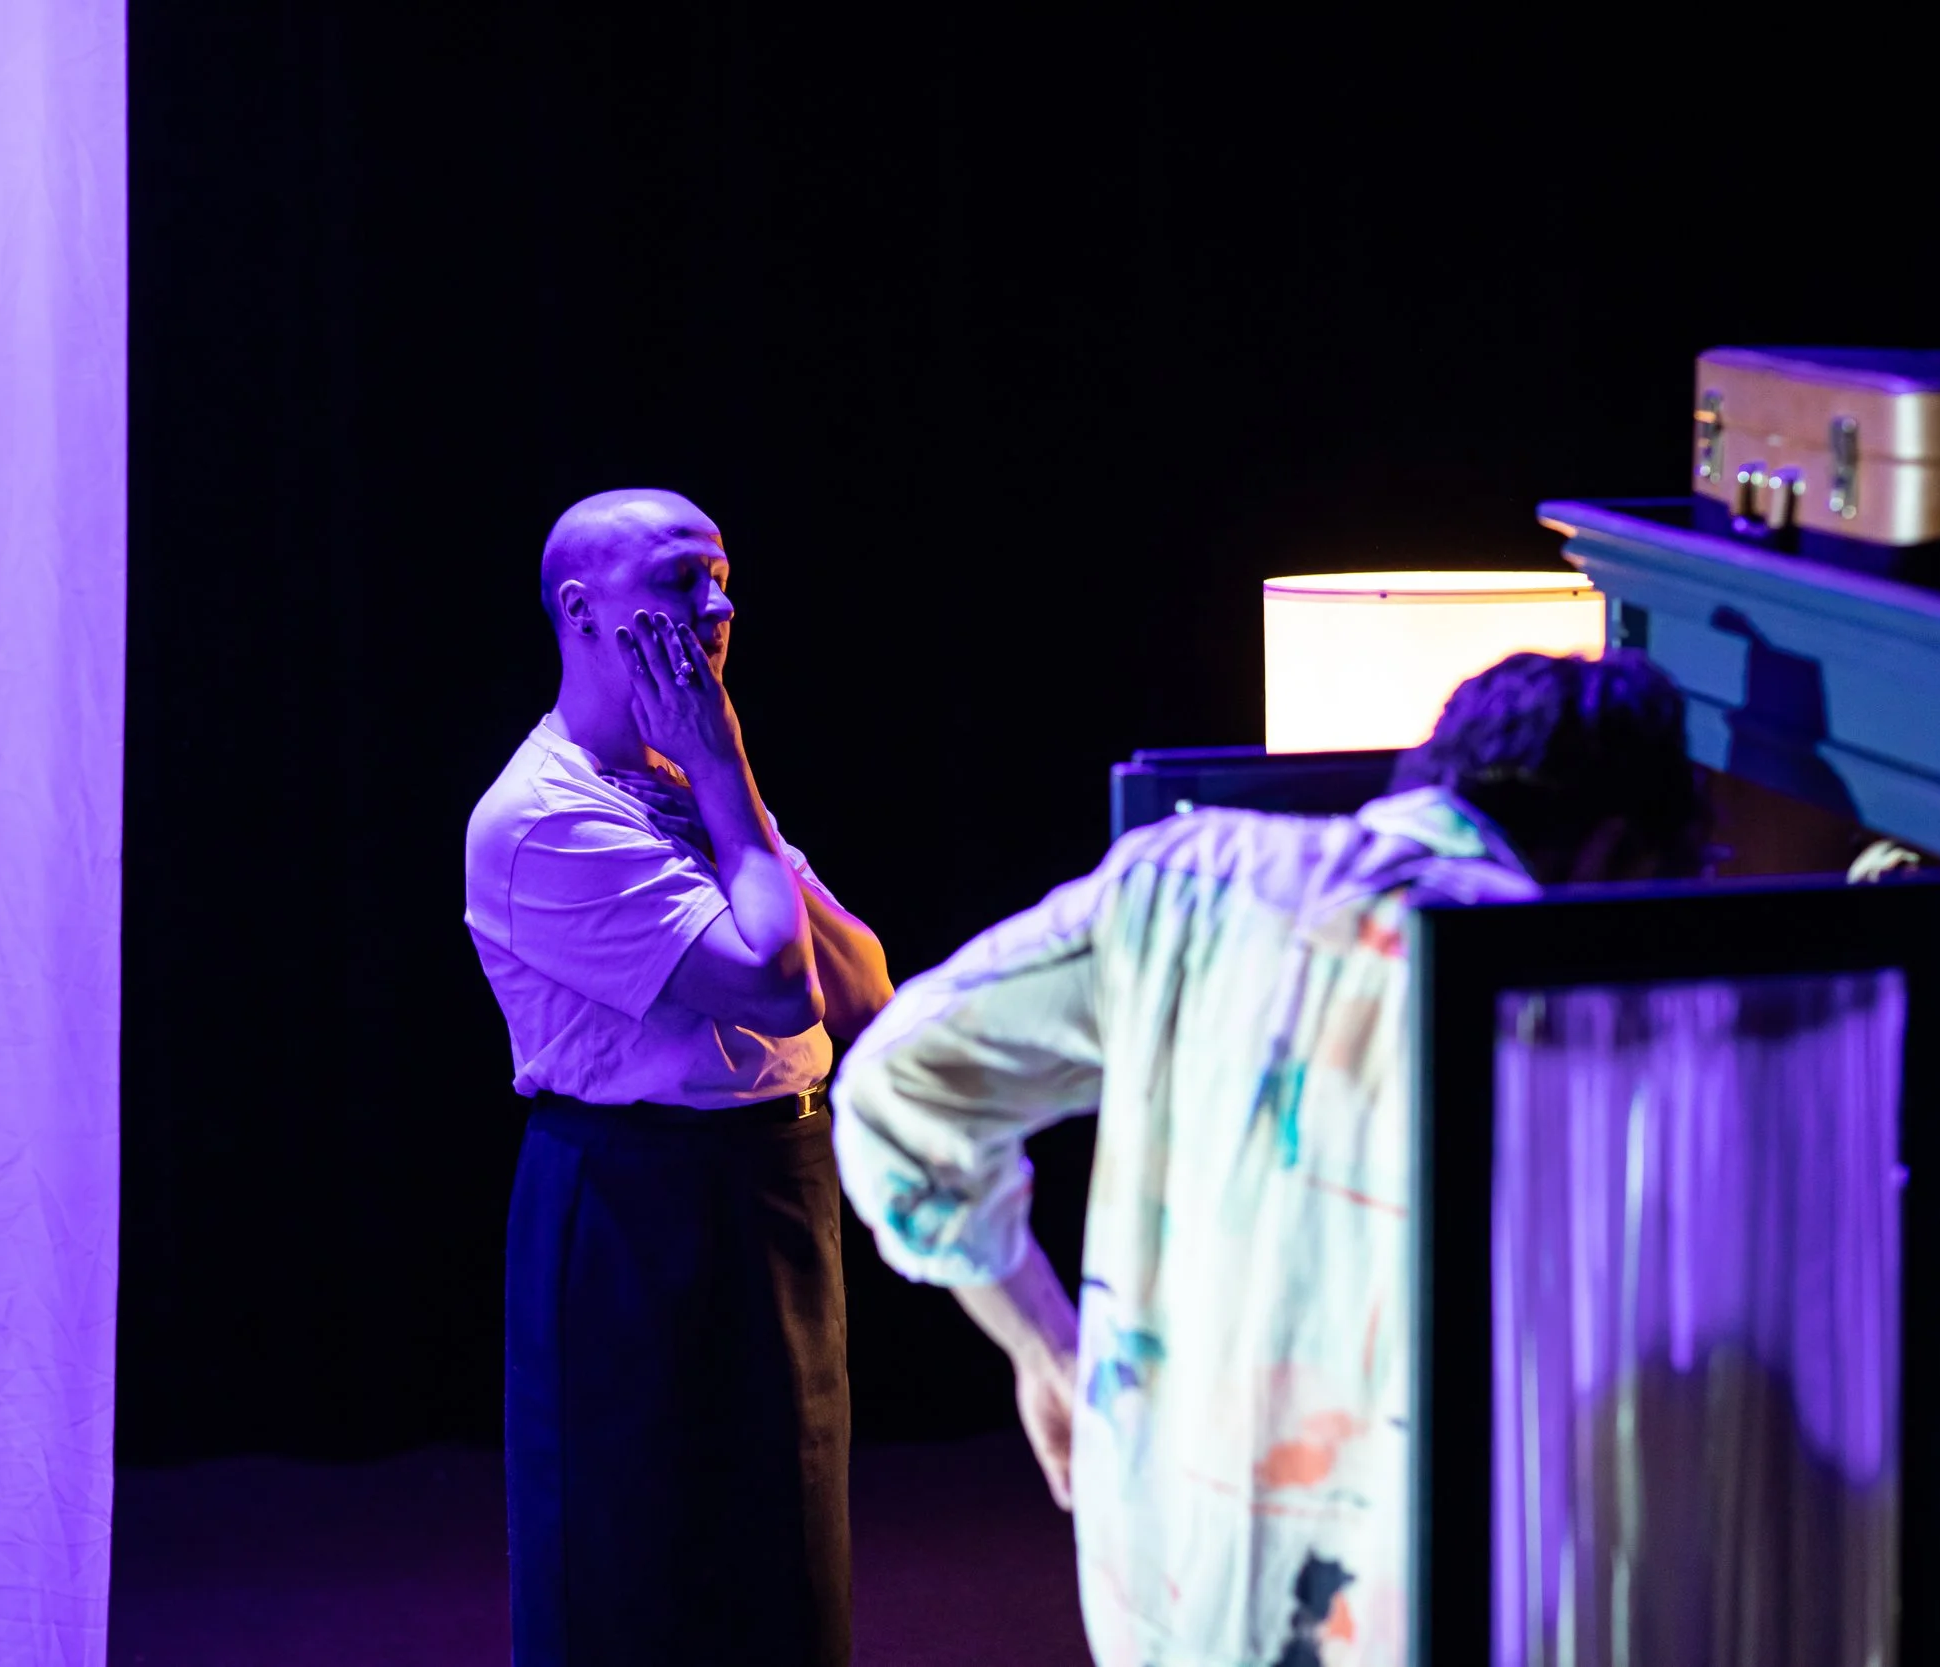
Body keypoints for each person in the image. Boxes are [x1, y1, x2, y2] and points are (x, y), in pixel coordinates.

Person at [831, 649, 1706, 1666]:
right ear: (1615, 850)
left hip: (1168, 1586)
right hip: (1431, 1602)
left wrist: (1047, 1348)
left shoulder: (1185, 877)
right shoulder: (1570, 978)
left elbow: (893, 1085)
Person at [464, 488, 892, 1665]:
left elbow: (865, 991)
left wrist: (719, 783)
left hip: (773, 1183)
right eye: (677, 580)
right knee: (633, 1566)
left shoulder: (694, 783)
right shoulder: (543, 816)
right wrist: (724, 770)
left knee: (786, 1560)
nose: (715, 606)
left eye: (722, 577)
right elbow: (777, 985)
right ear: (581, 610)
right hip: (632, 1199)